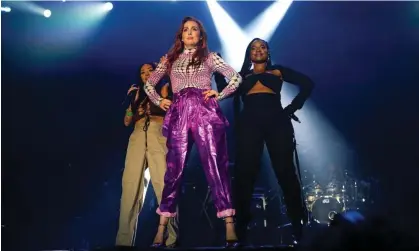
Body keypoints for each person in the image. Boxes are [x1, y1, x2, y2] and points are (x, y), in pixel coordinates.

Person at [143, 16, 242, 248]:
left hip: (204, 110)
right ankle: (161, 230)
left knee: (216, 165)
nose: (189, 32)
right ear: (180, 35)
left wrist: (221, 93)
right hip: (179, 112)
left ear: (200, 35)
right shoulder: (169, 59)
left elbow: (236, 77)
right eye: (185, 29)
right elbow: (149, 83)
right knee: (173, 170)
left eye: (194, 29)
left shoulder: (210, 57)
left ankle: (229, 225)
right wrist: (160, 100)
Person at [231, 38, 314, 244]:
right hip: (249, 124)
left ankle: (298, 228)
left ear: (268, 52)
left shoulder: (278, 71)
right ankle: (239, 231)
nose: (258, 50)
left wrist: (291, 109)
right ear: (248, 54)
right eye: (254, 48)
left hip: (277, 122)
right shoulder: (241, 76)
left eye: (262, 47)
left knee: (286, 174)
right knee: (244, 176)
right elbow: (225, 90)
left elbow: (307, 84)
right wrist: (217, 68)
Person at [116, 63, 178, 248]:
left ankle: (172, 238)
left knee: (164, 185)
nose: (146, 74)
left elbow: (173, 110)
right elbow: (127, 121)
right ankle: (124, 241)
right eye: (142, 72)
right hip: (137, 134)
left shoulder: (165, 86)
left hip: (157, 132)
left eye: (150, 70)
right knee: (130, 187)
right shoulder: (137, 93)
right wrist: (131, 104)